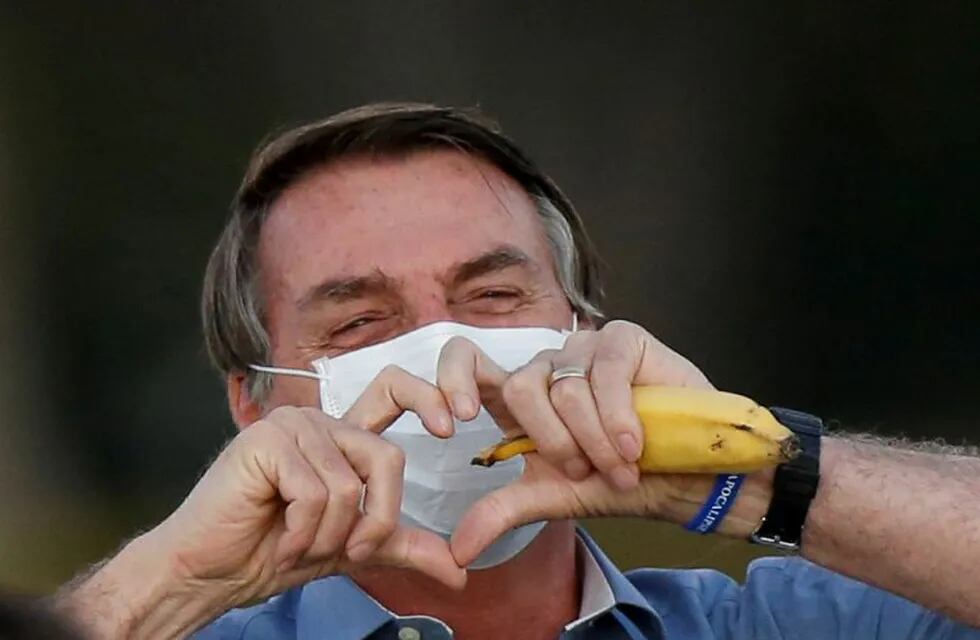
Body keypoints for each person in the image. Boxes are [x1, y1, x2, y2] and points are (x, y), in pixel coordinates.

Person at [53, 103, 980, 639]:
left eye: (494, 298)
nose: (450, 356)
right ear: (254, 405)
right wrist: (166, 585)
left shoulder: (785, 630)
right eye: (362, 319)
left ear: (586, 332)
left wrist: (756, 479)